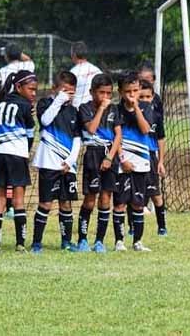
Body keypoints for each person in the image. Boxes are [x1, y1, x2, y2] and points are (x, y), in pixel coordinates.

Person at [30, 71, 82, 254]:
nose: (68, 95)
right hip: (48, 164)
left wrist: (71, 160)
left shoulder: (73, 111)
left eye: (71, 91)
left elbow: (77, 138)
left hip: (67, 166)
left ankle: (66, 241)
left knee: (66, 204)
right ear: (55, 89)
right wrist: (59, 100)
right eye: (64, 90)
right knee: (45, 204)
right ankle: (36, 242)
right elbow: (45, 120)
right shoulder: (45, 104)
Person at [0, 70, 38, 254]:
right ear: (18, 87)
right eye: (31, 89)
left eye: (35, 90)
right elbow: (30, 134)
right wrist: (26, 149)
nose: (34, 93)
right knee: (18, 199)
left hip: (0, 153)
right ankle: (20, 243)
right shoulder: (25, 106)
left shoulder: (0, 102)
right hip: (17, 154)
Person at [76, 73, 122, 253]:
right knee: (89, 200)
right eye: (101, 92)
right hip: (92, 156)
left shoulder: (114, 110)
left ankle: (100, 241)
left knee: (106, 198)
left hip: (109, 156)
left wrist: (111, 157)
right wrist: (101, 109)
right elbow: (92, 129)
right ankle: (82, 239)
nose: (105, 97)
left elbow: (118, 135)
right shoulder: (84, 108)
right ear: (92, 92)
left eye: (109, 93)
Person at [115, 71, 154, 252]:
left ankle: (137, 241)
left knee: (138, 203)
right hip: (123, 164)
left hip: (141, 162)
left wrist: (136, 107)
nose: (132, 95)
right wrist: (122, 159)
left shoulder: (146, 107)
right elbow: (116, 138)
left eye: (135, 90)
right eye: (128, 91)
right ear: (121, 92)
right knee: (120, 203)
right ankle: (119, 241)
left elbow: (145, 129)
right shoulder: (115, 110)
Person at [137, 79, 167, 236]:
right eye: (141, 97)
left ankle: (162, 226)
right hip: (134, 155)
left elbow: (161, 139)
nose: (144, 101)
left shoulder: (156, 116)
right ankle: (132, 227)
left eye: (147, 97)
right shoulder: (131, 115)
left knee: (156, 194)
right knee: (133, 195)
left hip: (150, 156)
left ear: (153, 97)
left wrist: (160, 161)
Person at [69, 41, 102, 108]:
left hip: (78, 110)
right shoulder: (97, 70)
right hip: (95, 109)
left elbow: (68, 95)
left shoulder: (72, 73)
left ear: (74, 55)